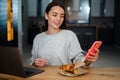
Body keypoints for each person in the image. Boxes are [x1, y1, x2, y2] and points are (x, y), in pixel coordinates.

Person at [31, 1, 99, 68]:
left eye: (62, 16)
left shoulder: (69, 35)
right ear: (46, 16)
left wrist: (88, 60)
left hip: (64, 76)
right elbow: (33, 61)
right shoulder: (38, 38)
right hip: (44, 76)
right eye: (55, 15)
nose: (58, 19)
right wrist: (35, 63)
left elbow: (78, 58)